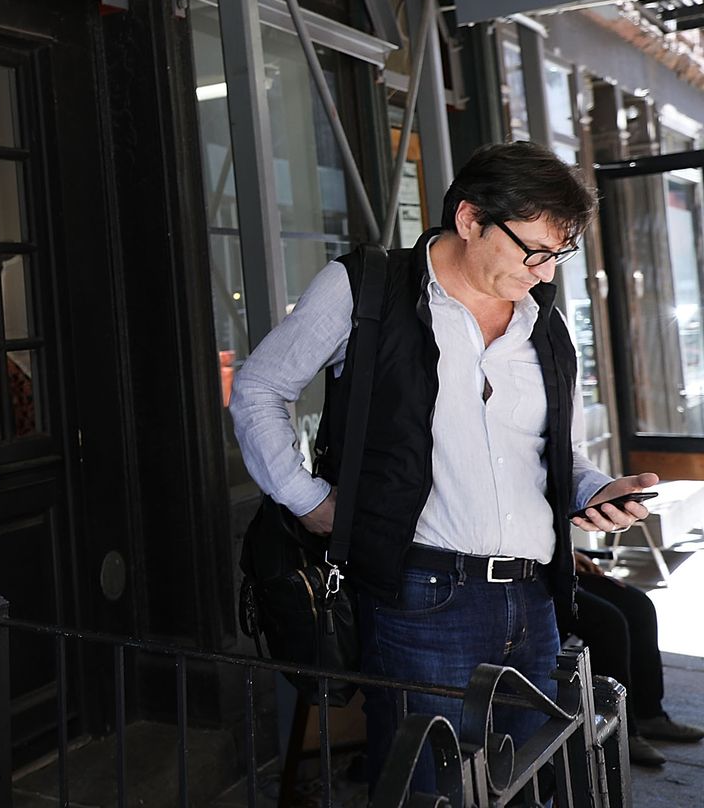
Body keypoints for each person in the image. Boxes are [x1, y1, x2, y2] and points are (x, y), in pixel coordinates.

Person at [230, 141, 659, 790]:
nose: (545, 274)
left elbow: (545, 454)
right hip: (421, 599)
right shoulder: (368, 288)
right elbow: (260, 388)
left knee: (521, 784)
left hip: (535, 603)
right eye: (534, 251)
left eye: (558, 256)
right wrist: (308, 499)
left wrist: (597, 490)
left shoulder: (541, 320)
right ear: (469, 219)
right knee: (427, 788)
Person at [563, 551, 704, 766]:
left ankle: (649, 714)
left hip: (557, 564)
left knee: (639, 605)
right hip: (531, 578)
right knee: (609, 622)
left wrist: (570, 553)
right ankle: (619, 731)